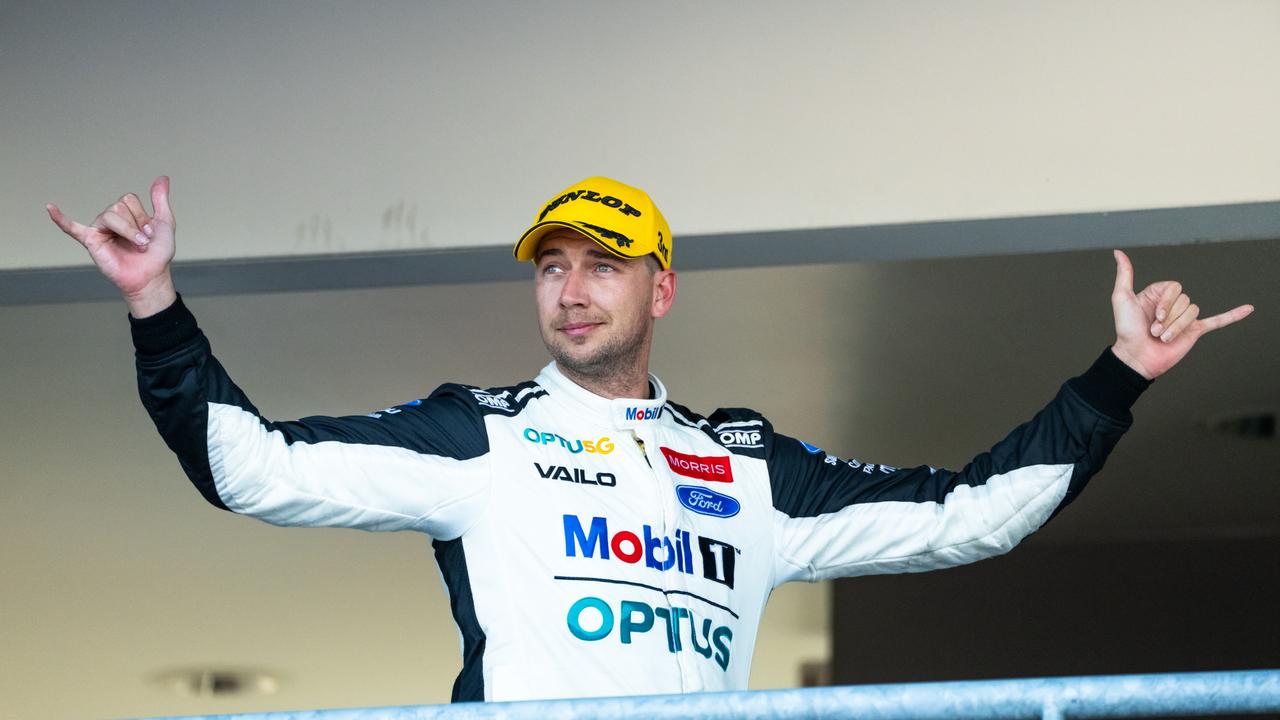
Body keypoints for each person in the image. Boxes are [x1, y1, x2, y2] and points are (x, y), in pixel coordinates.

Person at [47, 176, 1253, 703]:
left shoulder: (747, 467)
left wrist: (1117, 378)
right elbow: (247, 467)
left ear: (660, 288)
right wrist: (155, 300)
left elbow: (972, 515)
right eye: (553, 267)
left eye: (602, 264)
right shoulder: (479, 436)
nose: (571, 290)